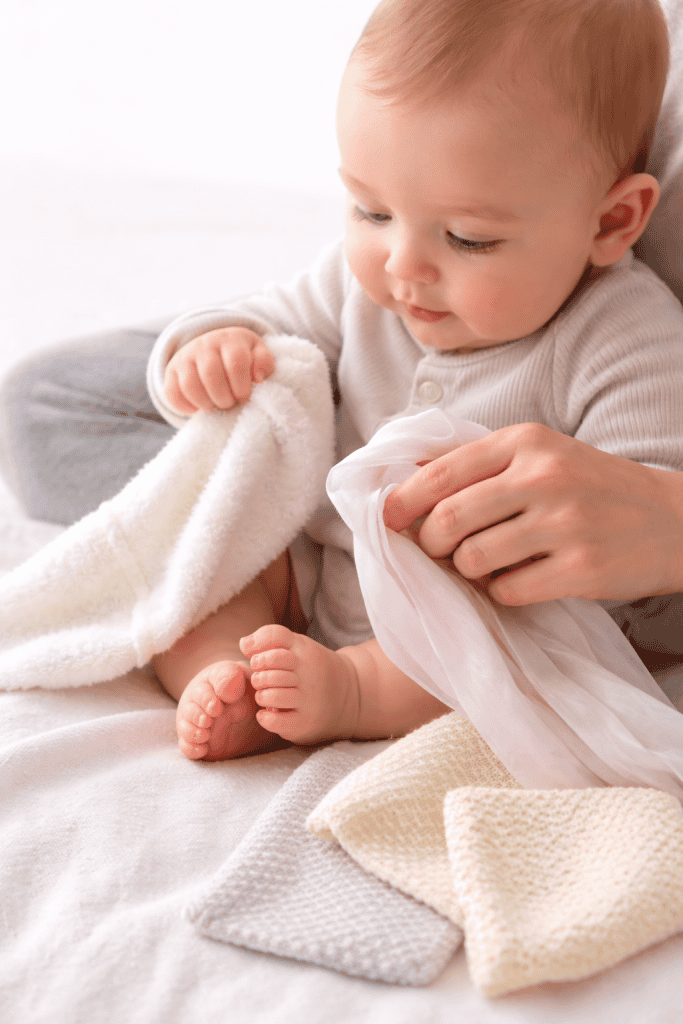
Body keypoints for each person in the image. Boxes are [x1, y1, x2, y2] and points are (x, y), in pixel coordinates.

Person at [2, 0, 683, 759]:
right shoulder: (361, 286)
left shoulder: (623, 338)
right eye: (371, 210)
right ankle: (224, 673)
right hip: (317, 565)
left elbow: (635, 525)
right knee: (206, 560)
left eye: (467, 238)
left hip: (466, 612)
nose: (402, 265)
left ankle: (353, 693)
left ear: (612, 222)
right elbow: (264, 321)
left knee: (510, 654)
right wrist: (210, 350)